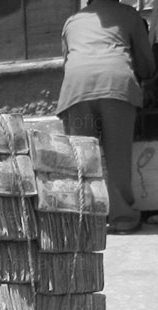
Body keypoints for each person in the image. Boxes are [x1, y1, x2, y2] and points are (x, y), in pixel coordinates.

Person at [58, 0, 156, 235]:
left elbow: (68, 60)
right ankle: (122, 219)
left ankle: (87, 220)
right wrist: (149, 76)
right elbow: (145, 63)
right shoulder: (128, 14)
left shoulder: (72, 22)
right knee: (117, 157)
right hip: (115, 85)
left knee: (83, 160)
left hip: (76, 89)